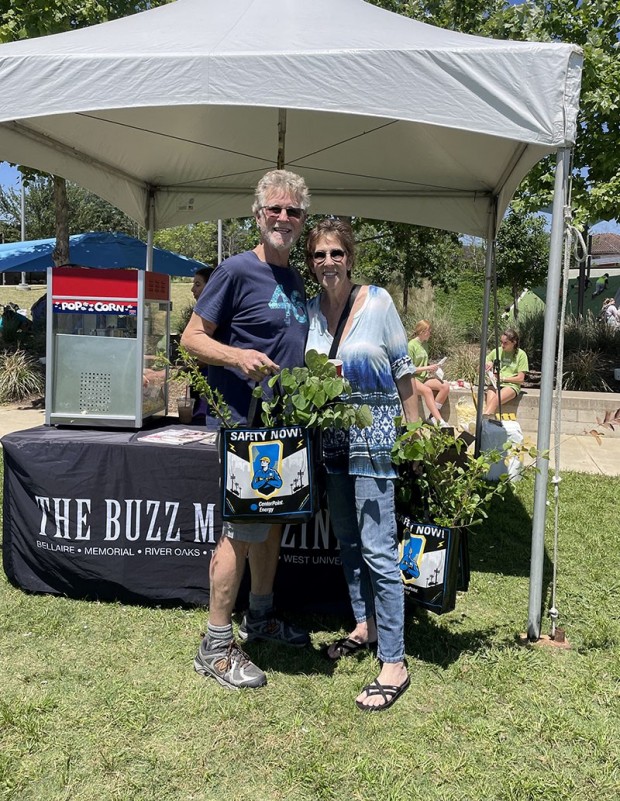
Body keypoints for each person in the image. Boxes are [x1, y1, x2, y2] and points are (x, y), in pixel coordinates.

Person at [180, 169, 311, 689]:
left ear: (301, 222)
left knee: (271, 524)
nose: (283, 218)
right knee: (239, 532)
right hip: (244, 426)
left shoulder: (297, 279)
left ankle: (260, 618)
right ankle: (214, 645)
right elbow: (192, 338)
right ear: (258, 216)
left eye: (293, 211)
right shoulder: (235, 271)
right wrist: (236, 356)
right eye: (274, 209)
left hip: (284, 426)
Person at [305, 218, 417, 712]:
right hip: (333, 438)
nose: (327, 262)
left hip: (374, 437)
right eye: (318, 255)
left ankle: (394, 660)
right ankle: (364, 625)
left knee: (377, 548)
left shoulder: (378, 302)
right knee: (347, 538)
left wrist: (415, 441)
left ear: (350, 257)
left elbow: (404, 373)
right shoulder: (310, 311)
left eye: (335, 253)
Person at [408, 320, 450, 426]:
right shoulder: (411, 345)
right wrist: (427, 367)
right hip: (412, 379)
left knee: (445, 386)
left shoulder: (425, 345)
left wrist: (433, 368)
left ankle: (432, 417)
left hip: (424, 378)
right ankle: (440, 421)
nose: (430, 333)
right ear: (422, 331)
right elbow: (409, 369)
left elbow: (424, 363)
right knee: (427, 391)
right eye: (429, 331)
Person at [188, 267, 213, 424]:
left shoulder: (214, 316)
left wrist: (189, 367)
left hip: (210, 382)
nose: (192, 289)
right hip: (198, 380)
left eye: (198, 284)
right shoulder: (199, 312)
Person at [483, 328, 528, 417]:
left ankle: (481, 423)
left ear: (514, 342)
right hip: (495, 383)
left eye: (505, 343)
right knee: (490, 403)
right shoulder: (497, 351)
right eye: (501, 342)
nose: (502, 345)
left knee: (495, 400)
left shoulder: (521, 355)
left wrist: (503, 378)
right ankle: (486, 424)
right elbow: (479, 368)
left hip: (511, 385)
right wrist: (487, 364)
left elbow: (521, 379)